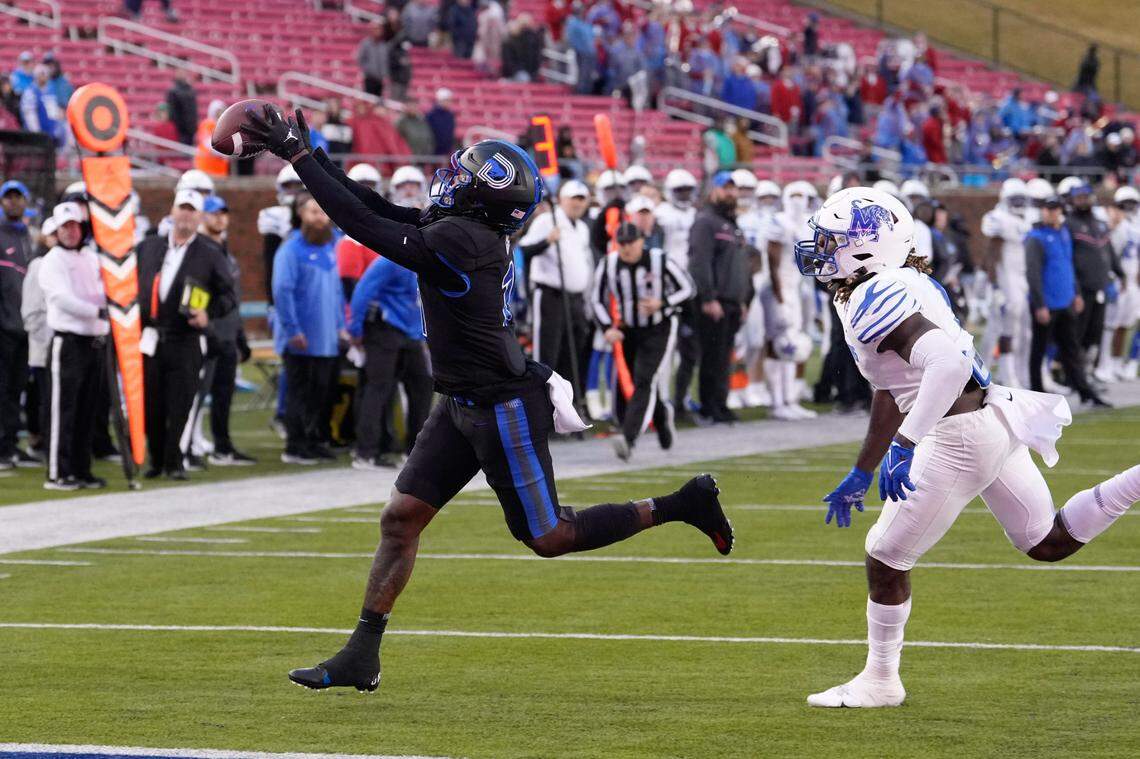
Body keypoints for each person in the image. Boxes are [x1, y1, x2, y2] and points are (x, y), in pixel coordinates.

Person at [240, 106, 735, 691]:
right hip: (459, 400)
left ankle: (682, 503)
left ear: (481, 198)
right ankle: (362, 653)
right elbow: (376, 208)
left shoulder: (462, 239)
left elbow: (362, 224)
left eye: (464, 176)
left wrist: (297, 155)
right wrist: (314, 155)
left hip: (503, 406)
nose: (450, 180)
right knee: (401, 518)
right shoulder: (463, 229)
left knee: (550, 537)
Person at [794, 186, 1138, 708]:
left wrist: (906, 444)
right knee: (1046, 542)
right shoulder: (902, 280)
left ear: (867, 247)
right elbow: (893, 387)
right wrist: (863, 468)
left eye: (832, 240)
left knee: (885, 557)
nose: (820, 248)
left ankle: (881, 682)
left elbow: (947, 367)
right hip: (990, 420)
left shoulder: (872, 295)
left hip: (956, 434)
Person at [137, 190, 236, 480]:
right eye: (183, 208)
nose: (187, 215)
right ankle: (156, 459)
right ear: (173, 210)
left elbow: (228, 295)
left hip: (186, 337)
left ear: (200, 216)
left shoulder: (209, 253)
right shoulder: (149, 247)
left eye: (193, 210)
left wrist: (210, 313)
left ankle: (175, 461)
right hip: (152, 336)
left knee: (181, 403)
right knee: (151, 403)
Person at [591, 222, 693, 460]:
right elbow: (596, 299)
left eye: (631, 243)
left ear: (641, 241)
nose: (627, 248)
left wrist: (663, 302)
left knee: (644, 379)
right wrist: (607, 327)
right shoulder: (609, 264)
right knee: (645, 381)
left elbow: (688, 288)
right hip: (629, 331)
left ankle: (628, 439)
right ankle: (662, 417)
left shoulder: (659, 260)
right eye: (622, 243)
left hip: (660, 327)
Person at [37, 202, 109, 490]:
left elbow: (104, 292)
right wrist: (98, 311)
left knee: (87, 409)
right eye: (65, 227)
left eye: (74, 225)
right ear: (57, 229)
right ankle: (58, 471)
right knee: (63, 409)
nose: (70, 232)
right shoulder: (52, 260)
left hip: (94, 342)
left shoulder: (91, 258)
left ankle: (82, 468)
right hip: (68, 342)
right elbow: (61, 299)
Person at [272, 191, 348, 465]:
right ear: (300, 215)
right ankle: (295, 445)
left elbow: (337, 292)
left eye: (323, 212)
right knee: (299, 393)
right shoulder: (291, 249)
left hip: (328, 337)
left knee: (322, 392)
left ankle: (315, 440)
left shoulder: (332, 246)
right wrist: (292, 330)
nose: (320, 218)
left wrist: (341, 326)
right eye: (313, 212)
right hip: (302, 339)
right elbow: (282, 291)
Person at [349, 254, 431, 470]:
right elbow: (362, 291)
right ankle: (365, 452)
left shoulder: (424, 259)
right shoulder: (390, 259)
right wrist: (355, 329)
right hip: (384, 328)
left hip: (410, 333)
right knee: (379, 387)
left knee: (422, 386)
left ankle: (415, 451)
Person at [1025, 196, 1108, 406]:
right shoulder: (1036, 237)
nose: (1052, 212)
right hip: (1047, 304)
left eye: (1055, 209)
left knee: (1072, 350)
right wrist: (1040, 304)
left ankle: (1085, 393)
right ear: (1042, 210)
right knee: (1039, 350)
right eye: (1048, 208)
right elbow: (1033, 273)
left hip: (1065, 302)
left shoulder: (1063, 232)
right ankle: (1037, 395)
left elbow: (1068, 266)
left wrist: (1076, 293)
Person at [517, 179, 593, 394]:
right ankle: (541, 402)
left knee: (573, 352)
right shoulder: (547, 221)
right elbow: (523, 251)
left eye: (582, 199)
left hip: (575, 298)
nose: (578, 204)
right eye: (573, 199)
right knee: (548, 352)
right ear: (562, 200)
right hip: (551, 296)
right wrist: (547, 242)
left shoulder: (583, 228)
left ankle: (568, 405)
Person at [688, 172, 752, 424]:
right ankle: (708, 406)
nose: (731, 193)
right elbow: (699, 262)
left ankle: (721, 403)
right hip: (715, 301)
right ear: (713, 190)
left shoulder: (732, 224)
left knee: (725, 356)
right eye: (725, 188)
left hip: (732, 301)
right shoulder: (705, 222)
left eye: (733, 189)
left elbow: (740, 266)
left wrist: (743, 300)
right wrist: (708, 297)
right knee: (712, 356)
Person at [197, 195, 255, 467]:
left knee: (223, 395)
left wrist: (240, 336)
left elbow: (234, 300)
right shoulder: (197, 252)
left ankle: (222, 445)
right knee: (196, 394)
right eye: (213, 213)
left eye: (223, 213)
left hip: (228, 334)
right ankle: (188, 445)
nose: (219, 218)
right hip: (206, 335)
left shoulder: (227, 255)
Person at [762, 180, 819, 420]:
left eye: (801, 195)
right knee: (780, 342)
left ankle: (790, 398)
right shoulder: (779, 221)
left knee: (795, 341)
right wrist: (780, 297)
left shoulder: (808, 223)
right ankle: (777, 401)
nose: (797, 200)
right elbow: (772, 263)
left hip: (798, 286)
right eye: (793, 195)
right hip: (780, 287)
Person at [979, 178, 1032, 387]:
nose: (1019, 203)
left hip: (1020, 278)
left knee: (1020, 330)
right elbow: (992, 254)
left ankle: (1009, 374)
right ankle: (982, 374)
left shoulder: (1025, 219)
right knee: (997, 329)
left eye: (1022, 198)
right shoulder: (999, 218)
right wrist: (995, 285)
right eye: (1015, 199)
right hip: (1005, 279)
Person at [1066, 183, 1121, 365]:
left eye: (1085, 197)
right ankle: (1073, 375)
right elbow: (1067, 258)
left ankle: (1089, 372)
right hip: (1082, 287)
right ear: (1072, 200)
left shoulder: (1099, 223)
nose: (1083, 201)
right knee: (1078, 333)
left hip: (1100, 286)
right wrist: (1074, 288)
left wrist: (1119, 273)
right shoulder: (1069, 224)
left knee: (1095, 332)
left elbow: (1109, 250)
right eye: (1078, 198)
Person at [0, 179, 35, 470]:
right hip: (4, 328)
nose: (13, 202)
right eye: (8, 197)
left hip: (25, 328)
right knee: (3, 389)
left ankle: (10, 444)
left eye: (17, 197)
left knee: (15, 389)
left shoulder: (29, 237)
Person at [20, 214, 54, 461]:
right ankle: (39, 441)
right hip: (42, 346)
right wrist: (39, 340)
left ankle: (50, 441)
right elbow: (30, 310)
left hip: (59, 345)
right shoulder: (39, 265)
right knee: (41, 397)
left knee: (50, 398)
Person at [1098, 186, 1139, 381]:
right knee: (1109, 325)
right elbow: (1107, 253)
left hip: (1132, 282)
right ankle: (1102, 365)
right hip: (1117, 280)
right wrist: (1112, 278)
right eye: (1125, 203)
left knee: (1124, 325)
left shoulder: (1136, 224)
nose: (1129, 207)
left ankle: (1114, 363)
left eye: (1133, 203)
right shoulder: (1114, 224)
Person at [19, 64, 65, 146]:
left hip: (50, 133)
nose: (44, 76)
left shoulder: (51, 89)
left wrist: (56, 128)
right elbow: (29, 114)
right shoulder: (31, 91)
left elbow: (54, 112)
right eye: (41, 74)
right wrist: (36, 133)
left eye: (45, 74)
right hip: (36, 135)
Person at [194, 100, 229, 177]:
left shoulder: (224, 127)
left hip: (220, 169)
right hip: (206, 167)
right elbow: (209, 144)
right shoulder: (207, 124)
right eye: (218, 111)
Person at [357, 21, 390, 97]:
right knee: (369, 99)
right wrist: (368, 70)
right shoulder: (366, 43)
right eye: (376, 29)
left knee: (379, 100)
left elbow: (386, 62)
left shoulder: (384, 45)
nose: (379, 31)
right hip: (370, 78)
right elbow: (360, 59)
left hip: (380, 79)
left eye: (380, 29)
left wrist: (385, 74)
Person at [165, 74, 198, 146]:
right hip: (181, 129)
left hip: (189, 129)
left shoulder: (190, 92)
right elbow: (174, 112)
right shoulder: (175, 92)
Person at [425, 88, 456, 157]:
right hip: (434, 149)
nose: (449, 102)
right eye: (447, 100)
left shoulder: (450, 115)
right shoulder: (431, 115)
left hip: (446, 149)